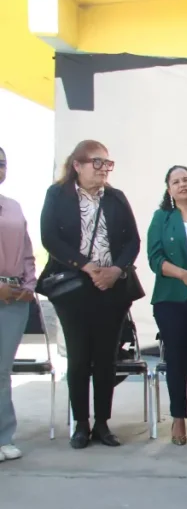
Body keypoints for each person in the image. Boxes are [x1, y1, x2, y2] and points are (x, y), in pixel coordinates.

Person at [38, 140, 141, 450]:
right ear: (77, 165)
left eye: (107, 163)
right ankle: (81, 424)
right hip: (74, 288)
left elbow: (133, 241)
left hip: (111, 288)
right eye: (97, 162)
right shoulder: (58, 195)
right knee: (80, 357)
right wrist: (85, 266)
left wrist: (116, 270)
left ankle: (102, 424)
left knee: (106, 359)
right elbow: (49, 237)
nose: (103, 169)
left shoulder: (116, 198)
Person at [146, 165, 187, 446]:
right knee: (175, 358)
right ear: (169, 190)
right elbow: (155, 258)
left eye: (186, 179)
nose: (182, 184)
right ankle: (177, 417)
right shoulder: (162, 218)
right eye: (176, 182)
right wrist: (184, 275)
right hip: (170, 299)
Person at [0, 145, 36, 462]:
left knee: (2, 370)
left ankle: (3, 437)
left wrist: (29, 285)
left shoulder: (13, 207)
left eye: (2, 163)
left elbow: (26, 251)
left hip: (14, 299)